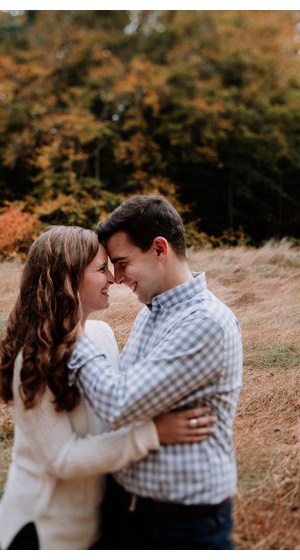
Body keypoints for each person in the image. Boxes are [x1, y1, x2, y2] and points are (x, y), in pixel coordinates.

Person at [0, 226, 218, 549]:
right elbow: (64, 459)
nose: (112, 279)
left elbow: (118, 408)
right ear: (67, 280)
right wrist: (154, 433)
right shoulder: (31, 359)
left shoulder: (102, 336)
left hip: (96, 528)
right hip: (40, 533)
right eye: (101, 270)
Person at [72, 195, 244, 549]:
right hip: (129, 510)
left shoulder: (205, 322)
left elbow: (119, 403)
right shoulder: (152, 312)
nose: (117, 278)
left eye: (122, 262)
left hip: (181, 525)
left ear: (159, 249)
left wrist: (73, 332)